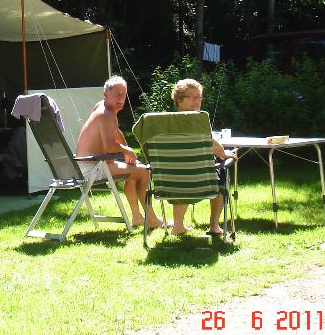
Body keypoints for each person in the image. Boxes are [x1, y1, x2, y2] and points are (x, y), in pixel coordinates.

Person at [76, 75, 163, 229]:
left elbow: (115, 132)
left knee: (134, 171)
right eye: (117, 94)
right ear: (106, 94)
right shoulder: (106, 115)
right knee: (144, 172)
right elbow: (110, 146)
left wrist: (127, 152)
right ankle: (152, 220)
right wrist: (127, 150)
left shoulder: (102, 107)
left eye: (124, 94)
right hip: (92, 168)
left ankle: (137, 217)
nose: (121, 98)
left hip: (87, 164)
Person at [170, 78, 237, 235]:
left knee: (181, 173)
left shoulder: (164, 123)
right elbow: (214, 145)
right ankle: (214, 226)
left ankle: (178, 226)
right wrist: (225, 154)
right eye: (192, 97)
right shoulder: (197, 121)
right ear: (179, 99)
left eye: (199, 97)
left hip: (171, 179)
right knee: (222, 168)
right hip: (200, 179)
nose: (197, 100)